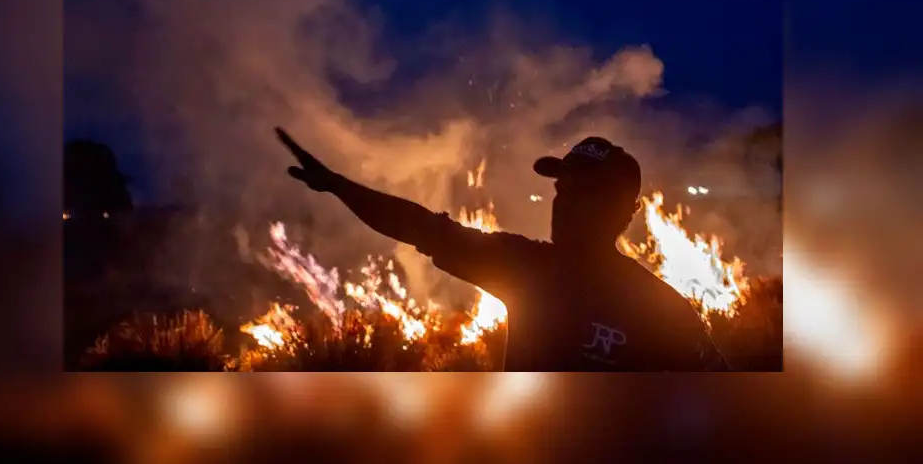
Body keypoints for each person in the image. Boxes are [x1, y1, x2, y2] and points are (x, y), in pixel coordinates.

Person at [275, 127, 731, 371]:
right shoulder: (524, 267)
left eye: (581, 193)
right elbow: (422, 227)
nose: (562, 202)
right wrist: (339, 186)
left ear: (621, 212)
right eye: (561, 189)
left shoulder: (660, 310)